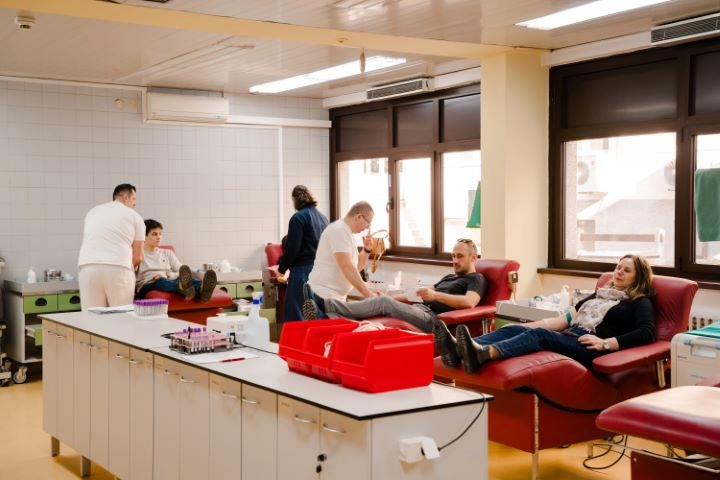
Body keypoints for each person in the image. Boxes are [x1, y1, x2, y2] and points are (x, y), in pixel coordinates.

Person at [434, 254, 656, 374]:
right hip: (570, 336)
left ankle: (485, 354)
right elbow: (563, 320)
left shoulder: (639, 301)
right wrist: (525, 326)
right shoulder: (599, 294)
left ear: (638, 277)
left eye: (626, 270)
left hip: (590, 349)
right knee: (515, 329)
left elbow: (646, 333)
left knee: (539, 336)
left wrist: (606, 343)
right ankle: (460, 348)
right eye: (618, 267)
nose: (619, 272)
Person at [303, 239, 487, 333]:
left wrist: (435, 295)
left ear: (473, 258)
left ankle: (325, 304)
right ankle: (327, 316)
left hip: (434, 320)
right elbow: (417, 295)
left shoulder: (476, 278)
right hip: (420, 309)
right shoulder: (449, 277)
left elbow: (470, 302)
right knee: (381, 304)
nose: (454, 260)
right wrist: (387, 298)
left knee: (384, 304)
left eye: (459, 256)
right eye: (453, 256)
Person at [303, 201, 377, 318]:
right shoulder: (339, 230)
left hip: (334, 296)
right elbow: (347, 267)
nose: (368, 227)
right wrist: (368, 294)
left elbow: (355, 267)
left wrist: (367, 250)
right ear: (359, 217)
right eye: (368, 222)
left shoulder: (347, 234)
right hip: (324, 295)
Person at [78, 183, 145, 309]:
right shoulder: (134, 216)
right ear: (125, 197)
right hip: (118, 268)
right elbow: (138, 257)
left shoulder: (92, 212)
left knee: (91, 316)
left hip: (88, 268)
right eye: (134, 199)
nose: (135, 203)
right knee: (121, 315)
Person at [277, 186, 329, 321]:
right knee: (316, 314)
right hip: (321, 271)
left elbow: (292, 248)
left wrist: (281, 269)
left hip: (303, 271)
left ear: (294, 200)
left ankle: (296, 336)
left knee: (295, 314)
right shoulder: (323, 218)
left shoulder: (298, 218)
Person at [135, 219, 217, 302]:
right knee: (161, 281)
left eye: (160, 234)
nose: (159, 237)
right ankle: (184, 288)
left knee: (190, 279)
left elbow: (182, 271)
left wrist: (169, 275)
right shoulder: (137, 254)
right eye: (154, 234)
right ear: (144, 236)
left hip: (168, 279)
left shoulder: (167, 253)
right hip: (147, 285)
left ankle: (201, 289)